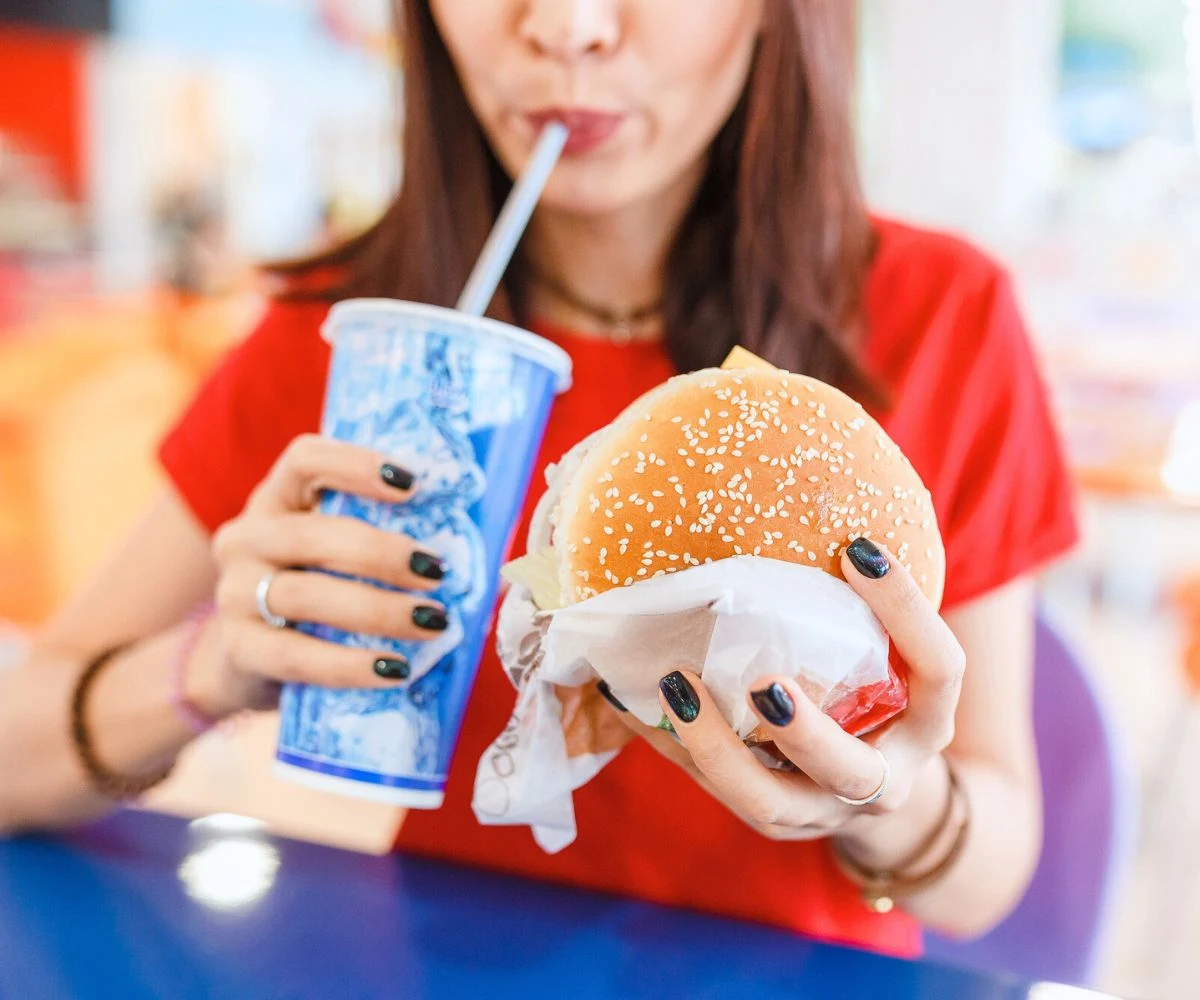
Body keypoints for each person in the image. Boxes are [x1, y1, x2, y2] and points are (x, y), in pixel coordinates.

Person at [0, 0, 1078, 959]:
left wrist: (882, 798)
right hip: (439, 954)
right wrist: (213, 663)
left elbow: (990, 877)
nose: (565, 25)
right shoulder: (348, 344)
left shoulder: (943, 320)